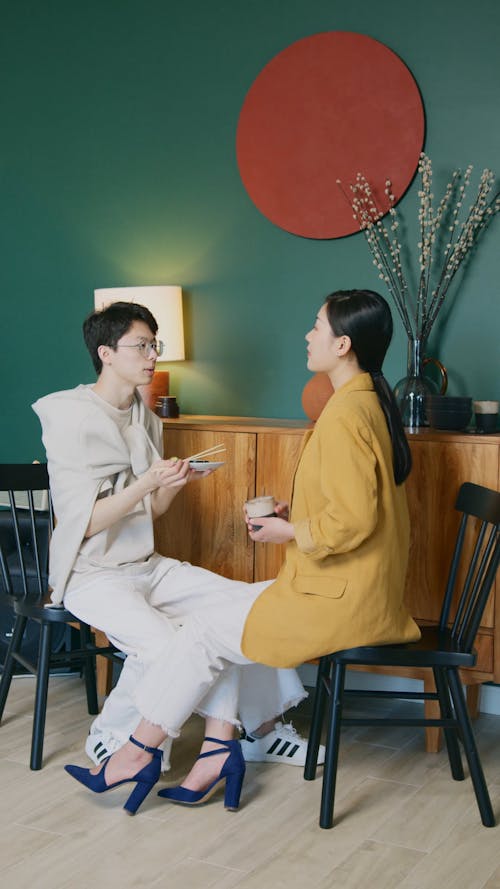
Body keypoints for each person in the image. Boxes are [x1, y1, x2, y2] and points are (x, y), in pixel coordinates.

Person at [55, 288, 421, 815]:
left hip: (343, 594)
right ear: (106, 353)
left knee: (209, 630)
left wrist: (288, 533)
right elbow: (359, 507)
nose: (307, 334)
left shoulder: (346, 414)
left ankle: (139, 753)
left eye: (316, 326)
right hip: (350, 588)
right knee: (219, 623)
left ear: (342, 345)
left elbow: (356, 520)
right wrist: (296, 516)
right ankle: (222, 746)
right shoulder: (364, 403)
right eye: (143, 345)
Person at [32, 300, 323, 811]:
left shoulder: (145, 416)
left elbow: (150, 512)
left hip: (146, 565)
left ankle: (243, 734)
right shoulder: (70, 417)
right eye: (141, 345)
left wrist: (176, 483)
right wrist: (148, 479)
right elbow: (84, 524)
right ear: (106, 353)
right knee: (178, 645)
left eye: (154, 344)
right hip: (93, 575)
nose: (152, 355)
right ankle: (125, 736)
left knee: (247, 605)